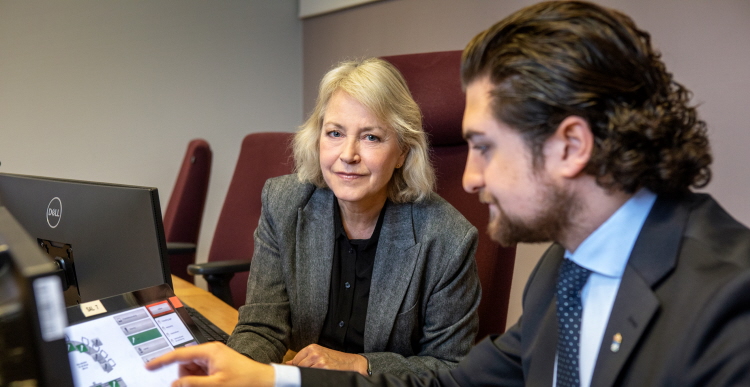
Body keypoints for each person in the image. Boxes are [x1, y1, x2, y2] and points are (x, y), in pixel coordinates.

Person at [147, 1, 750, 386]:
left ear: (570, 146)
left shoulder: (730, 306)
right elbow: (471, 382)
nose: (469, 178)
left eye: (485, 146)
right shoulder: (569, 269)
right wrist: (266, 379)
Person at [223, 57, 481, 377]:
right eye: (335, 133)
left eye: (370, 137)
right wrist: (232, 372)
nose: (348, 155)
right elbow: (262, 326)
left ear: (402, 151)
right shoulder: (284, 203)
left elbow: (451, 369)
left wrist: (361, 364)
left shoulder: (448, 238)